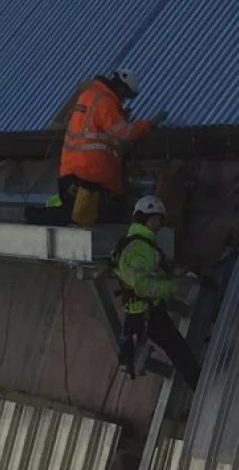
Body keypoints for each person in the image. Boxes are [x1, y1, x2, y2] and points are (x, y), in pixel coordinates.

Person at [113, 194, 202, 389]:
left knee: (179, 350)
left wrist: (176, 277)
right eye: (157, 218)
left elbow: (151, 275)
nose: (160, 223)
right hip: (147, 314)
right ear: (147, 218)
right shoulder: (139, 248)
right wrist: (173, 286)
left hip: (143, 313)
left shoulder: (139, 244)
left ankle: (198, 384)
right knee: (179, 351)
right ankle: (201, 387)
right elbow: (143, 285)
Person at [56, 67, 164, 225]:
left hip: (71, 172)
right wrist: (148, 124)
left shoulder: (87, 96)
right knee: (106, 218)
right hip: (92, 176)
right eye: (125, 96)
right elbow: (124, 133)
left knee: (78, 219)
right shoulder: (105, 102)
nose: (123, 100)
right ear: (121, 88)